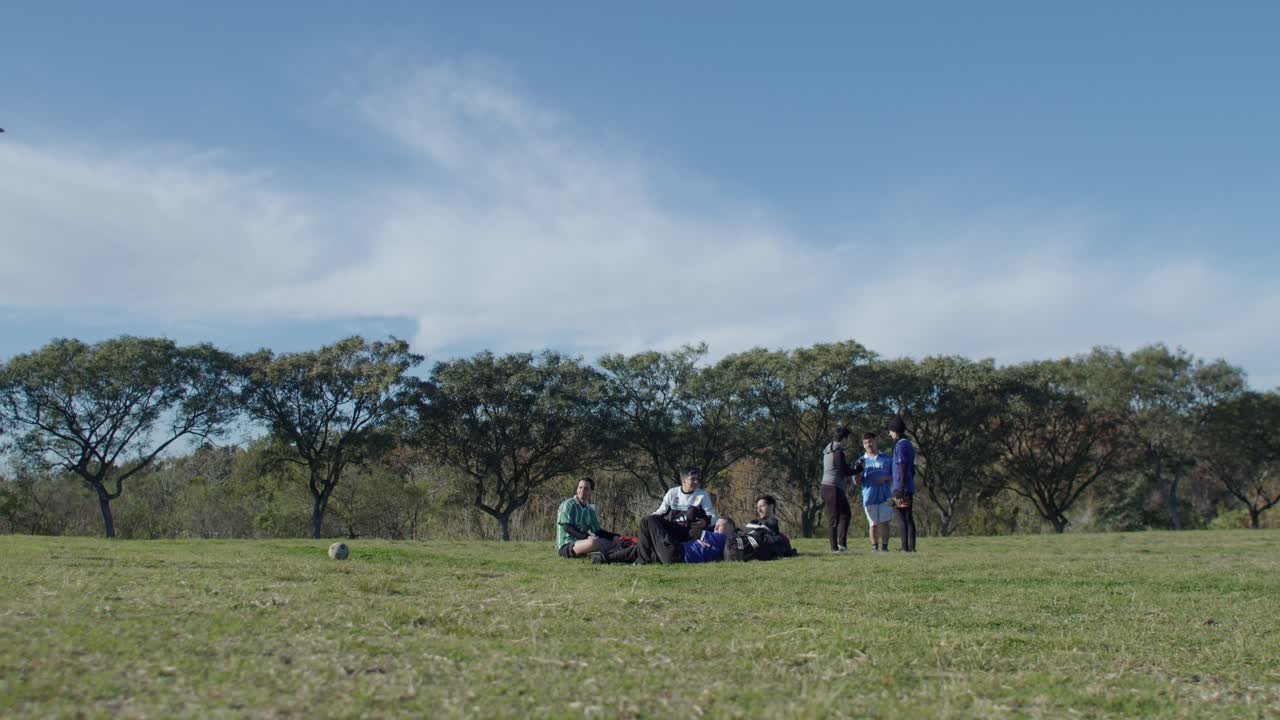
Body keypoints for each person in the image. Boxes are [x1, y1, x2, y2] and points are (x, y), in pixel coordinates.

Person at [597, 517, 737, 565]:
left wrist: (672, 526)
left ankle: (643, 561)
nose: (716, 528)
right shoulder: (719, 539)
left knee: (649, 521)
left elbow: (694, 532)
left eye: (719, 525)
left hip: (677, 554)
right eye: (716, 525)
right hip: (675, 554)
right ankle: (605, 558)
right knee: (640, 549)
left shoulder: (723, 538)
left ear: (730, 529)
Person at [555, 478, 619, 559]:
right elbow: (568, 528)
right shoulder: (568, 505)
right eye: (580, 487)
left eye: (586, 488)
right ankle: (595, 552)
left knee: (611, 542)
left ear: (590, 492)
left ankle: (592, 553)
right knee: (593, 542)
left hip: (583, 542)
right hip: (567, 545)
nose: (582, 490)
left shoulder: (590, 510)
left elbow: (598, 531)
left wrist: (615, 536)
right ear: (577, 489)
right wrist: (587, 537)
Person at [653, 466, 718, 542]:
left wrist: (705, 522)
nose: (696, 482)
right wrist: (648, 520)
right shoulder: (672, 493)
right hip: (674, 531)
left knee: (692, 510)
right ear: (683, 480)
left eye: (697, 479)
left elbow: (713, 517)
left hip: (692, 533)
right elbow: (660, 512)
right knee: (649, 521)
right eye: (693, 479)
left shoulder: (702, 494)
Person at [855, 432, 893, 552]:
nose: (869, 444)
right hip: (869, 497)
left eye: (870, 441)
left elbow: (895, 476)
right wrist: (857, 472)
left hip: (886, 496)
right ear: (863, 445)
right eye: (866, 443)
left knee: (885, 522)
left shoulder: (887, 459)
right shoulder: (860, 461)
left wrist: (885, 478)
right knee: (873, 524)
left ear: (875, 441)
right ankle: (874, 548)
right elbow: (857, 482)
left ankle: (885, 548)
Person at [821, 427, 855, 552]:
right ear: (844, 438)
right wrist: (858, 469)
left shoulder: (828, 448)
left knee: (845, 514)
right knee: (833, 518)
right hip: (833, 488)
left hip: (828, 487)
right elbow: (843, 471)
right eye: (848, 439)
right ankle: (834, 548)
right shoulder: (838, 451)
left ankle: (841, 545)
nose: (848, 442)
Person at [888, 416, 917, 552]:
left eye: (890, 431)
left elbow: (903, 466)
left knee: (901, 516)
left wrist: (899, 489)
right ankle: (911, 547)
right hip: (909, 485)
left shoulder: (900, 445)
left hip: (902, 486)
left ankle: (905, 548)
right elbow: (913, 468)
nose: (890, 434)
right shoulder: (909, 444)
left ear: (895, 431)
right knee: (908, 516)